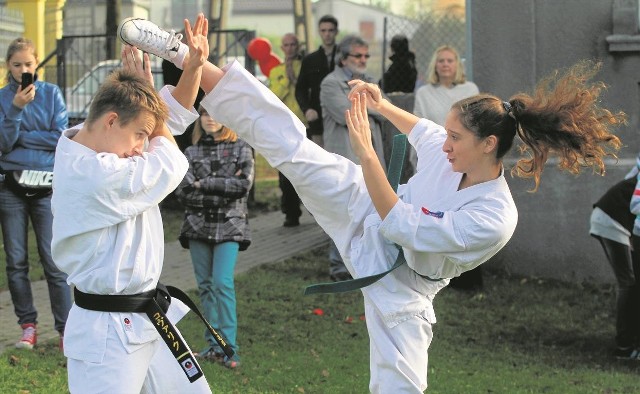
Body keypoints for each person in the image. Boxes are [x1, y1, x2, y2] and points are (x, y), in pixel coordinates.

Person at [121, 16, 625, 393]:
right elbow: (423, 131)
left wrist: (366, 151)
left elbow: (403, 225)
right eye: (447, 133)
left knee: (400, 388)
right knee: (290, 143)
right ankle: (191, 58)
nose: (444, 144)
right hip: (365, 206)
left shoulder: (494, 218)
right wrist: (382, 105)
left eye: (455, 137)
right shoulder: (451, 151)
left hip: (402, 284)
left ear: (488, 145)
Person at [51, 15, 215, 393]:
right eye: (139, 136)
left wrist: (193, 68)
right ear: (111, 120)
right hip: (107, 333)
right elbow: (171, 160)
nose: (143, 145)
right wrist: (150, 98)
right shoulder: (94, 175)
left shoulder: (96, 144)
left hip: (149, 318)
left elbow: (163, 123)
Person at [0, 37, 71, 350]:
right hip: (10, 187)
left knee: (53, 261)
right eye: (17, 65)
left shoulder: (52, 93)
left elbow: (60, 138)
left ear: (37, 63)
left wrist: (21, 139)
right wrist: (15, 110)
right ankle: (28, 326)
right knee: (16, 261)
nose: (23, 70)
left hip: (46, 185)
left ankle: (66, 329)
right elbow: (2, 145)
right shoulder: (3, 98)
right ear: (8, 67)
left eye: (28, 64)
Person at [174, 107, 253, 369]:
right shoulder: (191, 152)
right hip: (197, 226)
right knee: (206, 285)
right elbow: (184, 192)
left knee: (222, 282)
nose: (210, 117)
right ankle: (212, 345)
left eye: (217, 112)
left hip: (230, 226)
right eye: (205, 113)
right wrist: (221, 185)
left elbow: (243, 187)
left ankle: (229, 348)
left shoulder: (241, 148)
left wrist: (202, 183)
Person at [413, 44, 483, 290]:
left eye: (450, 60)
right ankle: (433, 272)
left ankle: (469, 277)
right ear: (435, 65)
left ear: (457, 65)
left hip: (465, 159)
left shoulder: (470, 90)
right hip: (436, 157)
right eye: (441, 60)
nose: (445, 64)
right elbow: (418, 125)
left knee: (462, 213)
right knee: (436, 215)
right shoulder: (424, 93)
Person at [320, 34, 387, 282]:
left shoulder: (371, 81)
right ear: (342, 58)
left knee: (370, 212)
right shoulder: (330, 83)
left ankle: (365, 264)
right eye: (357, 55)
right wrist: (375, 107)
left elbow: (385, 112)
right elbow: (349, 115)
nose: (363, 60)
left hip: (372, 161)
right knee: (343, 213)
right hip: (345, 160)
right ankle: (339, 268)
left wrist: (376, 108)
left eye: (366, 56)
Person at [590, 169, 640, 360]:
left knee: (631, 281)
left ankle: (629, 341)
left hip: (614, 220)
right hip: (611, 220)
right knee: (627, 282)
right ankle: (624, 346)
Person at [269, 33, 306, 227]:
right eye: (286, 45)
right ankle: (291, 213)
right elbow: (273, 97)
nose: (290, 48)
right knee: (285, 173)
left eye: (293, 44)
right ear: (282, 48)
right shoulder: (276, 71)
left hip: (304, 125)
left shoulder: (304, 67)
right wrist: (287, 80)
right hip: (284, 128)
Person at [295, 14, 339, 147]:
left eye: (330, 30)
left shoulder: (345, 58)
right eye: (323, 30)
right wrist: (307, 109)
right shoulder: (310, 60)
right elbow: (300, 89)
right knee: (321, 157)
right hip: (317, 117)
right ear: (319, 32)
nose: (327, 34)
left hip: (341, 116)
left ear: (336, 32)